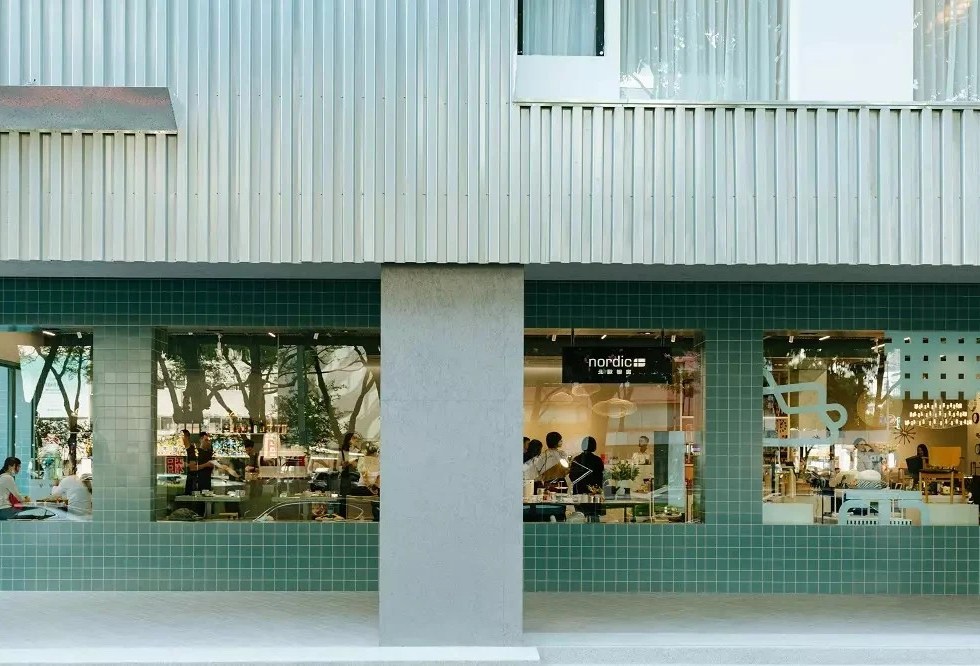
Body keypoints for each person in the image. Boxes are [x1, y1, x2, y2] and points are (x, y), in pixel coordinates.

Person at [0, 457, 27, 521]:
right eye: (18, 466)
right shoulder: (7, 477)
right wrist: (25, 500)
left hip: (2, 510)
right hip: (4, 509)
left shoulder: (2, 476)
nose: (19, 469)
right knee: (31, 515)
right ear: (10, 466)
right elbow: (17, 495)